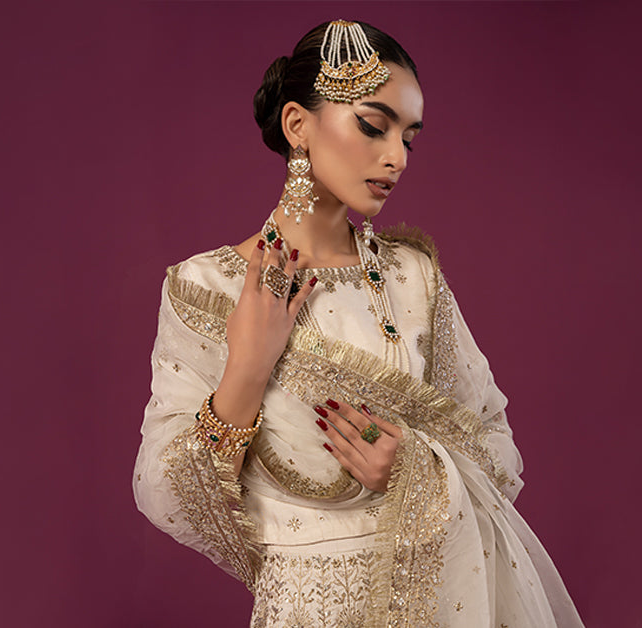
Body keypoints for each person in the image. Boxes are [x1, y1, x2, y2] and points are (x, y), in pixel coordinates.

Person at [133, 19, 585, 627]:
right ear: (298, 125)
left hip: (431, 602)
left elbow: (496, 450)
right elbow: (165, 494)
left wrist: (415, 467)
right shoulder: (206, 288)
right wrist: (248, 368)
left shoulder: (413, 278)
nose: (396, 157)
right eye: (374, 126)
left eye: (409, 139)